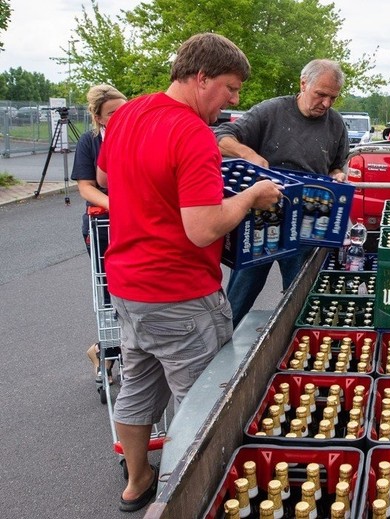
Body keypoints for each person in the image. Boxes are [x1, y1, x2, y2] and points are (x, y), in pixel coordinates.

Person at [96, 33, 282, 512]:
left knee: (137, 387)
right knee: (204, 405)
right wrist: (248, 197)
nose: (234, 101)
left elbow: (104, 179)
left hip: (128, 286)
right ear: (201, 78)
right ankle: (193, 501)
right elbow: (202, 229)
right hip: (179, 293)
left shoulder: (130, 113)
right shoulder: (193, 133)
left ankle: (136, 484)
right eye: (230, 87)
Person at [214, 58, 349, 328]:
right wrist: (248, 153)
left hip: (306, 222)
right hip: (260, 219)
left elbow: (336, 165)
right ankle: (219, 355)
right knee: (239, 299)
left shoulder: (335, 124)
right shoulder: (271, 111)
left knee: (300, 301)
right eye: (320, 94)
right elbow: (221, 136)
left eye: (332, 97)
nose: (326, 104)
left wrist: (337, 176)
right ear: (303, 83)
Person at [69, 84, 127, 381]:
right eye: (113, 113)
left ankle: (120, 351)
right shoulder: (90, 142)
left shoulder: (135, 135)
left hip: (134, 222)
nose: (121, 116)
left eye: (123, 110)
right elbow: (85, 187)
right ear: (99, 117)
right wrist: (116, 204)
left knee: (133, 289)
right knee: (109, 291)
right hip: (103, 222)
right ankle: (107, 351)